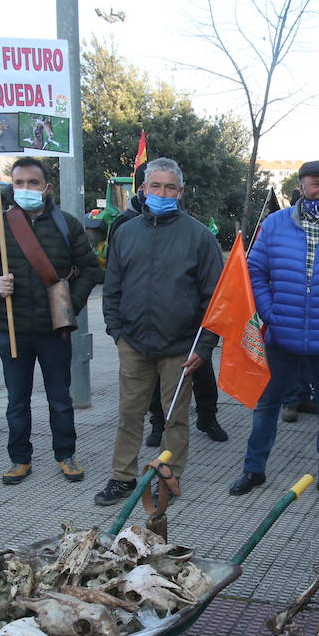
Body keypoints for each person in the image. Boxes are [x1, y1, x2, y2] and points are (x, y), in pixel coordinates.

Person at [229, 160, 319, 505]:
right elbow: (255, 270)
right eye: (316, 184)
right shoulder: (274, 225)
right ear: (301, 185)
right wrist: (269, 312)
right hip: (282, 334)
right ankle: (254, 469)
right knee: (266, 405)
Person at [95, 158, 223, 506]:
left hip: (180, 347)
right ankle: (122, 477)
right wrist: (117, 332)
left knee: (175, 418)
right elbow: (113, 288)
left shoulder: (199, 237)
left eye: (170, 187)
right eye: (156, 186)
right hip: (133, 343)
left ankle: (167, 476)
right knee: (129, 415)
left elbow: (216, 298)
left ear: (180, 192)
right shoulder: (125, 232)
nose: (162, 193)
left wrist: (206, 346)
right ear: (143, 190)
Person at [0, 157, 101, 484]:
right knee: (17, 400)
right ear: (11, 186)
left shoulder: (67, 225)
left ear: (46, 187)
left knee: (60, 398)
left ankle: (66, 454)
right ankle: (19, 458)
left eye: (33, 183)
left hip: (53, 331)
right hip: (12, 329)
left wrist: (70, 303)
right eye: (19, 183)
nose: (26, 189)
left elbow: (89, 269)